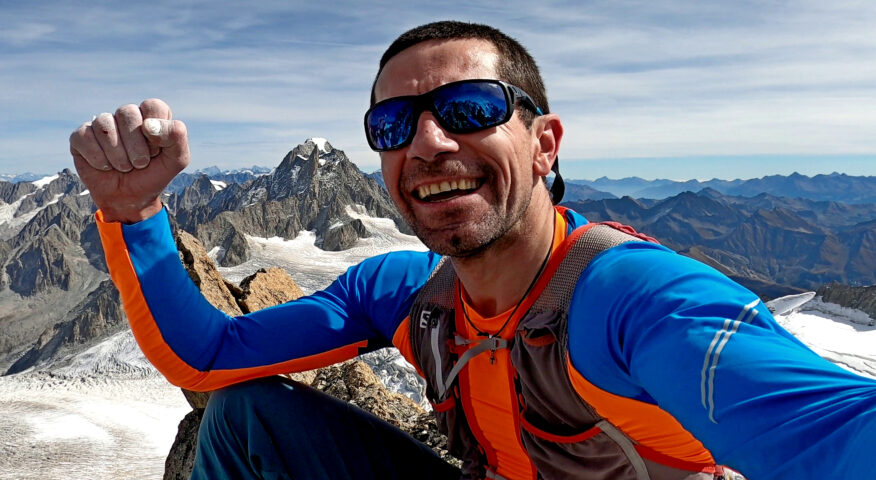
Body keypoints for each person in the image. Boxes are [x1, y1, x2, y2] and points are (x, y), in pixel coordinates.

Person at [70, 20, 876, 480]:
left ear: (544, 144)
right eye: (393, 126)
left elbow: (840, 436)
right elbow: (207, 357)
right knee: (249, 418)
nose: (427, 141)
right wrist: (135, 214)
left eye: (469, 108)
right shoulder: (406, 294)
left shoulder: (635, 301)